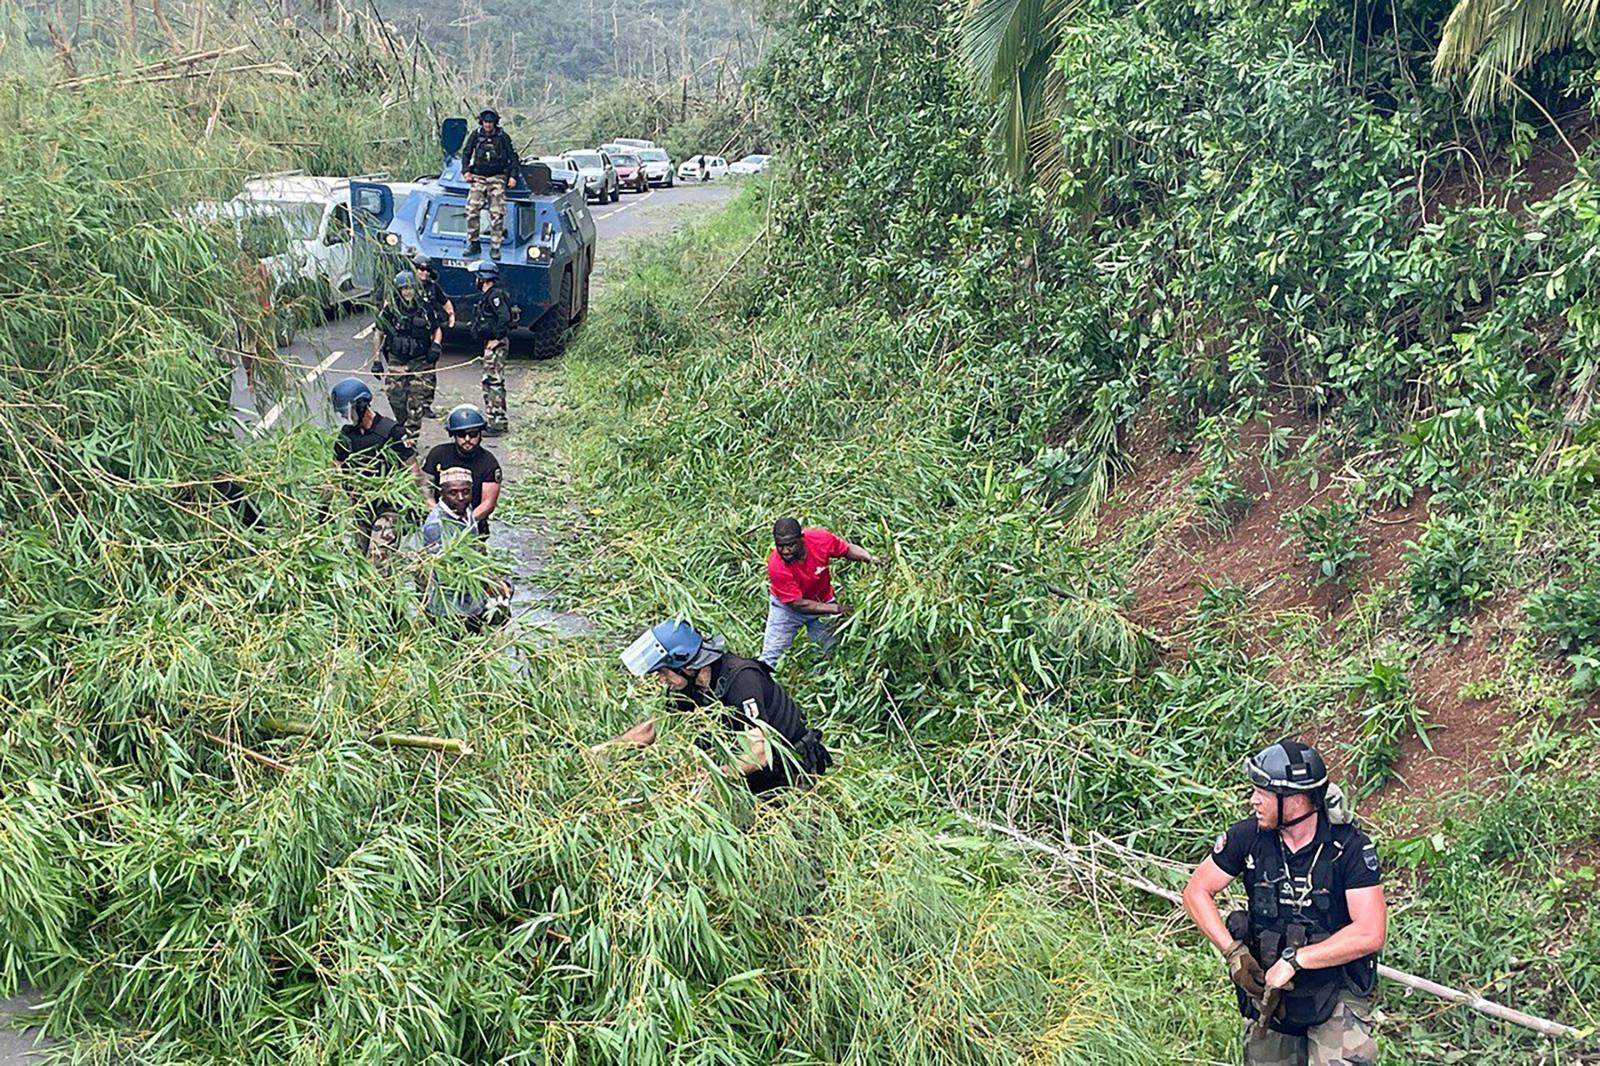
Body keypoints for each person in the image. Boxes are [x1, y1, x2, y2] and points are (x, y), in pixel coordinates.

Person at [1182, 740, 1386, 1066]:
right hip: (1272, 993)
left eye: (1261, 792)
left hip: (1335, 989)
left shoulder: (1347, 848)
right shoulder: (1247, 837)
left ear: (1294, 799)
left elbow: (1370, 932)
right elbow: (1196, 892)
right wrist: (1233, 952)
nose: (1253, 801)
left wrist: (1296, 960)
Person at [611, 620, 832, 794]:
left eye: (662, 672)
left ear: (685, 665)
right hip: (744, 774)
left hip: (788, 773)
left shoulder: (742, 680)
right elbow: (655, 727)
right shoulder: (688, 688)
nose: (661, 680)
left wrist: (714, 777)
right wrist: (609, 751)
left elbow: (760, 751)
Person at [330, 376, 425, 566]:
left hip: (390, 508)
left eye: (347, 412)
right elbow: (335, 468)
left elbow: (413, 470)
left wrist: (422, 503)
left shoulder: (391, 432)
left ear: (362, 406)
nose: (344, 418)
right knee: (358, 562)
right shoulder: (347, 436)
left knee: (378, 561)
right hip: (361, 508)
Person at [761, 517, 881, 666]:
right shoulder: (776, 566)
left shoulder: (820, 540)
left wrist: (871, 559)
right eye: (780, 546)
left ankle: (820, 684)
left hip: (822, 601)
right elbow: (797, 604)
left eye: (790, 545)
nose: (785, 551)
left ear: (801, 538)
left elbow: (847, 549)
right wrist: (834, 609)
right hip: (787, 609)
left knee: (829, 655)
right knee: (770, 659)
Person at [420, 466, 511, 631]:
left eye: (466, 492)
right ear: (442, 493)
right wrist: (487, 582)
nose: (460, 497)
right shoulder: (436, 526)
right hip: (450, 609)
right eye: (453, 493)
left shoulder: (465, 511)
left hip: (471, 601)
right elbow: (447, 574)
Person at [372, 270, 441, 447]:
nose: (407, 292)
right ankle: (402, 427)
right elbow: (378, 333)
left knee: (416, 401)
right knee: (395, 396)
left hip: (420, 361)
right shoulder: (390, 310)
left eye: (410, 288)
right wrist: (377, 360)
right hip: (397, 360)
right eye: (404, 288)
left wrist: (436, 345)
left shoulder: (425, 308)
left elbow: (437, 329)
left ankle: (410, 441)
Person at [422, 404, 502, 537]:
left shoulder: (489, 462)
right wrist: (438, 517)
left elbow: (488, 503)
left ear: (480, 434)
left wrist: (465, 523)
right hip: (439, 523)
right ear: (453, 435)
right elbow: (424, 491)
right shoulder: (437, 454)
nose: (467, 439)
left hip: (473, 523)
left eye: (473, 434)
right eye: (461, 434)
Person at [460, 108, 519, 258]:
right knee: (471, 209)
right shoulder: (476, 135)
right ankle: (474, 243)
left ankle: (495, 247)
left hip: (497, 177)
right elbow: (466, 153)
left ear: (495, 123)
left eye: (490, 122)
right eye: (485, 122)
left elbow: (513, 158)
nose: (487, 125)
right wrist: (466, 171)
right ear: (482, 122)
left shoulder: (502, 137)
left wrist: (513, 176)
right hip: (478, 176)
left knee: (497, 213)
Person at [468, 261, 513, 435]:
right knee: (489, 381)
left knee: (494, 381)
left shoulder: (495, 296)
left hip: (496, 345)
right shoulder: (488, 296)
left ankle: (498, 421)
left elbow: (504, 317)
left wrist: (497, 337)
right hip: (489, 343)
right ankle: (492, 418)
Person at [412, 255, 454, 419]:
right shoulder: (405, 285)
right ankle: (412, 403)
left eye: (427, 270)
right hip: (410, 333)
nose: (424, 273)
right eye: (421, 269)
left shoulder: (432, 287)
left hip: (427, 331)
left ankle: (426, 404)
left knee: (428, 371)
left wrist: (450, 314)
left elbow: (445, 301)